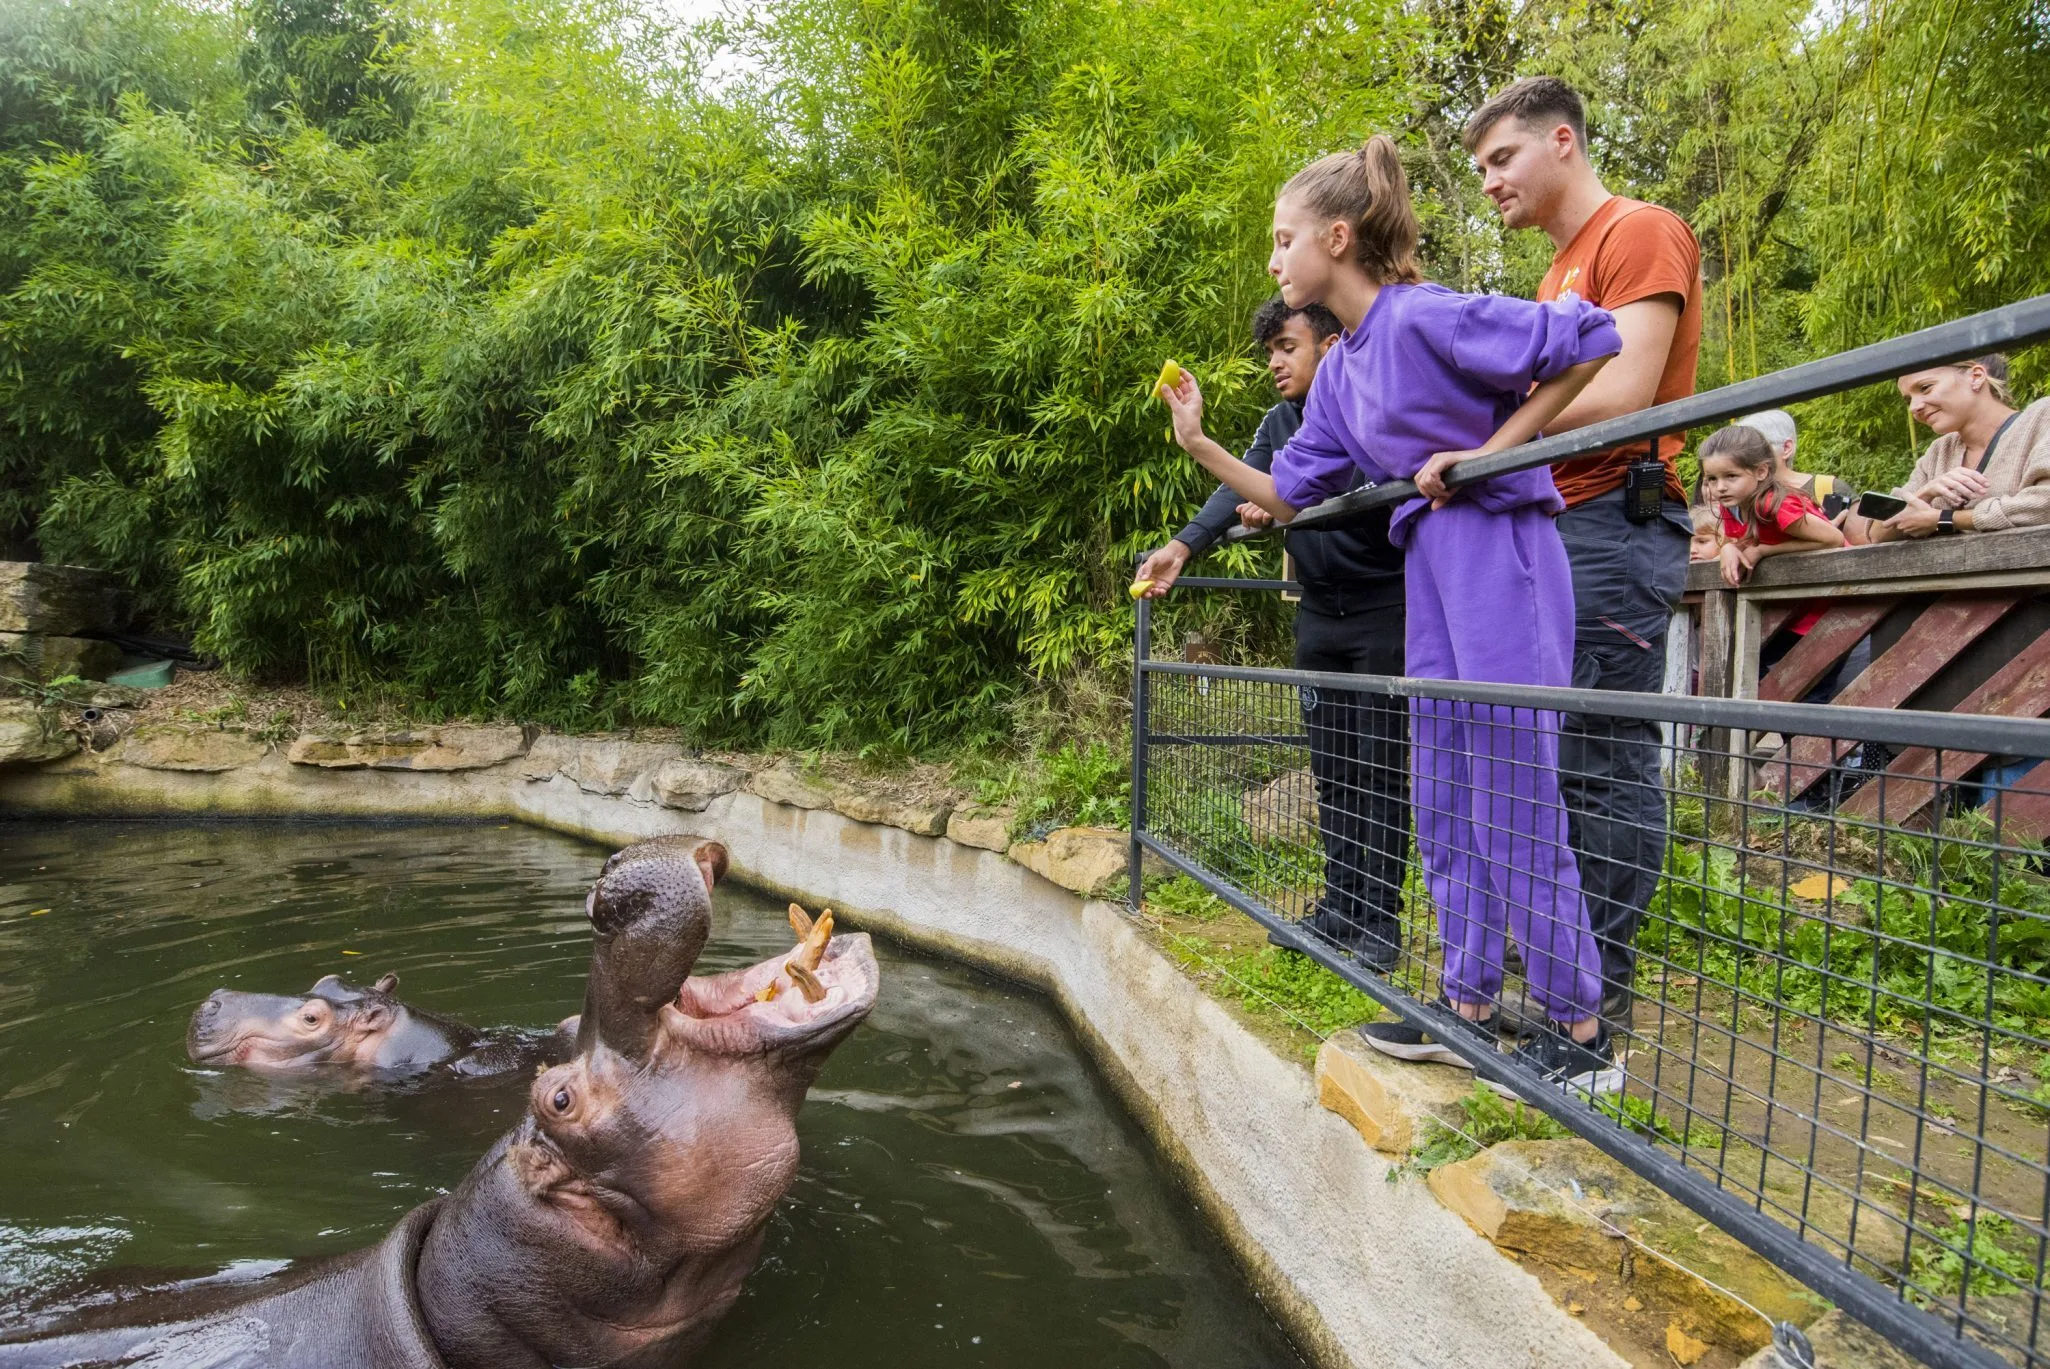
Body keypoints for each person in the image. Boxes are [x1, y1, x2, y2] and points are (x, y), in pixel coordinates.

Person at [1159, 134, 1625, 1096]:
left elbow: (1588, 339)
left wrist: (1491, 450)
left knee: (1511, 783)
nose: (1274, 260)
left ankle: (1581, 1027)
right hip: (1430, 562)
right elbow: (1289, 495)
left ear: (1337, 236)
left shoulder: (1423, 317)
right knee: (1447, 782)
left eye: (1283, 240)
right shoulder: (1337, 373)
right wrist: (1199, 443)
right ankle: (1466, 1006)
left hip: (1498, 545)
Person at [1463, 76, 1700, 1029]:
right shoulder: (1554, 276)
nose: (1488, 183)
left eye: (1501, 159)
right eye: (1480, 169)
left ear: (1562, 140)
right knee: (1547, 759)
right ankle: (1566, 996)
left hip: (1616, 522)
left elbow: (1632, 384)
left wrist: (1496, 437)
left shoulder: (1636, 232)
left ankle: (1599, 1021)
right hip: (1555, 526)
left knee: (1604, 756)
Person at [1135, 298, 1409, 969]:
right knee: (1335, 770)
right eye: (1269, 352)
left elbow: (1347, 484)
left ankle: (1381, 920)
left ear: (1330, 342)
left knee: (1379, 769)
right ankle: (1341, 903)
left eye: (1287, 346)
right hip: (1318, 610)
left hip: (1384, 606)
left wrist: (1290, 498)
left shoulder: (1371, 403)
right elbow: (1240, 487)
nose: (1275, 363)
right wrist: (1183, 544)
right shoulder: (1281, 420)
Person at [1852, 355, 2050, 541]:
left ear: (1977, 377)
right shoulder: (1940, 451)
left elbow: (2043, 505)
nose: (1914, 407)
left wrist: (1942, 519)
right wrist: (1924, 493)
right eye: (1908, 399)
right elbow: (1878, 534)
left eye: (1925, 388)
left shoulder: (2041, 418)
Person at [1696, 424, 1846, 586]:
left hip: (1837, 580)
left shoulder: (1776, 506)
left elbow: (1834, 539)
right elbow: (1746, 541)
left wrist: (1763, 550)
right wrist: (1729, 548)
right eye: (1712, 479)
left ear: (1761, 472)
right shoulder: (1731, 506)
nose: (1720, 487)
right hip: (1793, 584)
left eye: (1731, 476)